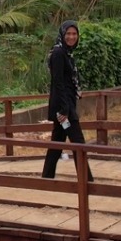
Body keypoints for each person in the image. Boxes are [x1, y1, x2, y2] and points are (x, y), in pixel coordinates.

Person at [42, 20, 94, 182]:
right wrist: (64, 110)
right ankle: (87, 181)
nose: (71, 37)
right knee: (79, 142)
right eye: (68, 34)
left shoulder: (66, 53)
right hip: (64, 107)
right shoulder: (58, 53)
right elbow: (58, 83)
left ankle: (46, 178)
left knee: (57, 143)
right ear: (62, 34)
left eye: (74, 34)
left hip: (66, 103)